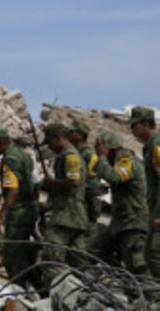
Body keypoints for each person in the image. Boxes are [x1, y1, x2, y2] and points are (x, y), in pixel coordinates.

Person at [89, 129, 148, 276]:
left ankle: (151, 295)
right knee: (95, 251)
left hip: (133, 224)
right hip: (120, 223)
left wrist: (102, 156)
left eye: (100, 151)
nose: (99, 155)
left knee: (137, 267)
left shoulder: (128, 161)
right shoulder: (118, 163)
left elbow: (115, 177)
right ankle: (122, 278)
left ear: (110, 149)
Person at [39, 123, 88, 290]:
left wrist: (51, 182)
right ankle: (89, 294)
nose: (50, 147)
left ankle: (54, 297)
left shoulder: (71, 156)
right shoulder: (68, 155)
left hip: (66, 215)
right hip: (74, 216)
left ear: (58, 138)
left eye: (50, 143)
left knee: (51, 259)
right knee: (79, 261)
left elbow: (73, 182)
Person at [0, 126, 39, 287]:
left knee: (12, 254)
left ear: (2, 142)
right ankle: (37, 289)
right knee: (25, 253)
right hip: (30, 209)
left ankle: (19, 290)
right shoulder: (23, 155)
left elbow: (13, 190)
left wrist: (0, 217)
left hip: (18, 212)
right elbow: (35, 182)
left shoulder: (9, 159)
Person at [130, 105, 160, 277]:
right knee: (149, 253)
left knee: (155, 254)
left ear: (145, 124)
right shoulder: (150, 146)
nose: (132, 129)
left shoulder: (157, 146)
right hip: (154, 207)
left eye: (134, 125)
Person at [68, 119, 102, 238]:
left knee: (88, 238)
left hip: (87, 205)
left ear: (81, 135)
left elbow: (92, 183)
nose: (69, 134)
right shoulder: (73, 153)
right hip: (76, 205)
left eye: (72, 132)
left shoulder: (88, 154)